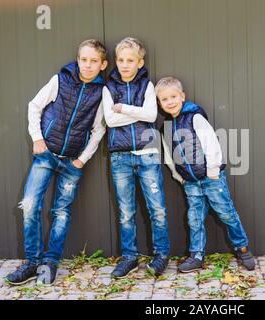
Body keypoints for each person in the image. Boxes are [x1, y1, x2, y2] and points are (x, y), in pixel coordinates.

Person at [5, 39, 108, 285]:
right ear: (78, 59)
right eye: (84, 60)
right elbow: (34, 106)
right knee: (30, 204)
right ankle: (32, 262)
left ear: (103, 65)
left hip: (72, 162)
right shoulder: (59, 80)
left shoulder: (101, 93)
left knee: (61, 211)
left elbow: (99, 129)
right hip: (46, 155)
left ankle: (50, 262)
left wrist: (82, 160)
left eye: (94, 61)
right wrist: (37, 139)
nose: (88, 65)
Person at [155, 76, 256, 273]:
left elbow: (211, 143)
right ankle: (196, 256)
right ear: (159, 103)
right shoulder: (165, 128)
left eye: (173, 96)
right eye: (165, 99)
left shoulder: (195, 117)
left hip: (212, 179)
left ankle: (243, 249)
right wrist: (179, 177)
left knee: (227, 214)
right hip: (190, 183)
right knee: (194, 218)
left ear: (182, 96)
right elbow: (168, 156)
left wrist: (212, 172)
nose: (170, 102)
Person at [103, 37, 170, 278]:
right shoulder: (108, 88)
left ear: (140, 62)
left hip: (148, 154)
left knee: (158, 209)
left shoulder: (147, 86)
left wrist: (123, 108)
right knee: (126, 212)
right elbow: (110, 121)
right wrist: (136, 113)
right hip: (120, 157)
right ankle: (129, 256)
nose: (124, 64)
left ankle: (161, 254)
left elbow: (151, 115)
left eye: (130, 60)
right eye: (120, 60)